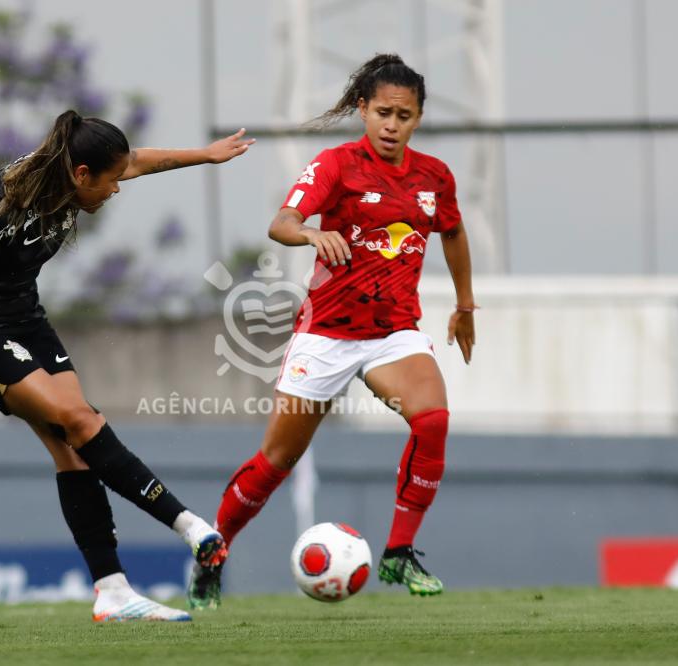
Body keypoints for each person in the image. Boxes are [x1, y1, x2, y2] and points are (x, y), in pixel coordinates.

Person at [0, 109, 255, 622]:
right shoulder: (2, 201)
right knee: (78, 421)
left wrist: (206, 156)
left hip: (25, 319)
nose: (117, 189)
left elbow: (142, 160)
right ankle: (191, 527)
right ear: (81, 175)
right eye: (110, 181)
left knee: (73, 448)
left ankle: (113, 591)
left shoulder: (74, 173)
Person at [187, 54, 476, 609]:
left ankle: (398, 553)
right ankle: (213, 553)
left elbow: (455, 232)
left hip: (393, 333)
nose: (392, 125)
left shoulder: (434, 176)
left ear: (418, 118)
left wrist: (465, 304)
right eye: (383, 112)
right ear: (363, 110)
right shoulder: (336, 165)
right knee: (275, 462)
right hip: (327, 333)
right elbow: (281, 223)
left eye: (405, 115)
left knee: (433, 420)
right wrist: (311, 237)